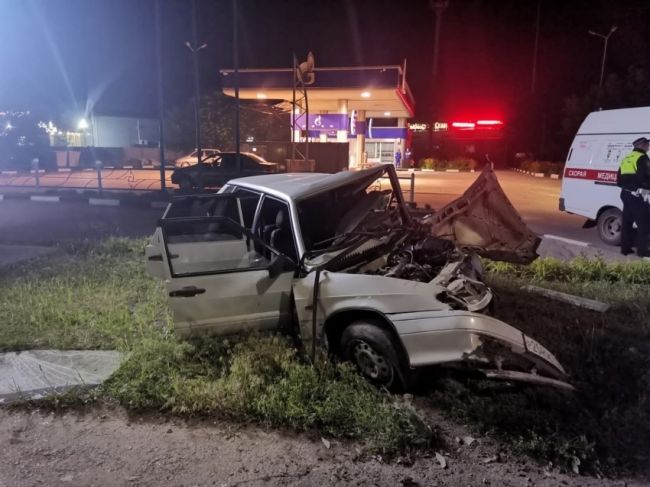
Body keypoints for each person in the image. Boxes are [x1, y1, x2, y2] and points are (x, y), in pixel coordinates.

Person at [617, 137, 650, 257]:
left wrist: (630, 187)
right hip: (638, 195)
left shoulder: (626, 158)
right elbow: (646, 176)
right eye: (647, 144)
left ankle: (625, 248)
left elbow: (618, 180)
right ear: (641, 146)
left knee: (627, 222)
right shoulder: (642, 158)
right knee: (645, 224)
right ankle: (642, 251)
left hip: (625, 194)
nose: (648, 146)